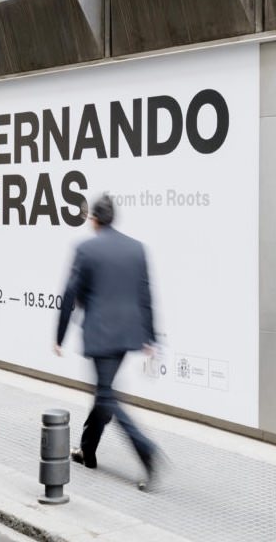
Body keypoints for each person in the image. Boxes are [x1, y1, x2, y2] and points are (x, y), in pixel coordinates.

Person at [54, 193, 162, 490]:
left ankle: (147, 450)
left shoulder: (86, 249)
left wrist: (59, 336)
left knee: (106, 396)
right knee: (104, 393)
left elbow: (69, 295)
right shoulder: (136, 249)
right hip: (128, 334)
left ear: (94, 220)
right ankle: (87, 450)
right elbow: (145, 295)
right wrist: (150, 336)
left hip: (101, 335)